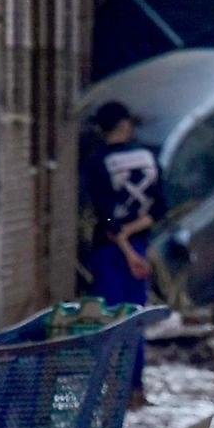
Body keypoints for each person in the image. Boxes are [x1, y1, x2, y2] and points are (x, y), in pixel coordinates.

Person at [78, 100, 163, 306]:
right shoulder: (148, 157)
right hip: (139, 244)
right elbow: (160, 208)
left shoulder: (96, 163)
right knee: (136, 313)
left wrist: (122, 239)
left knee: (110, 314)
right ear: (125, 125)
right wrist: (131, 235)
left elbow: (105, 214)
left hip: (109, 249)